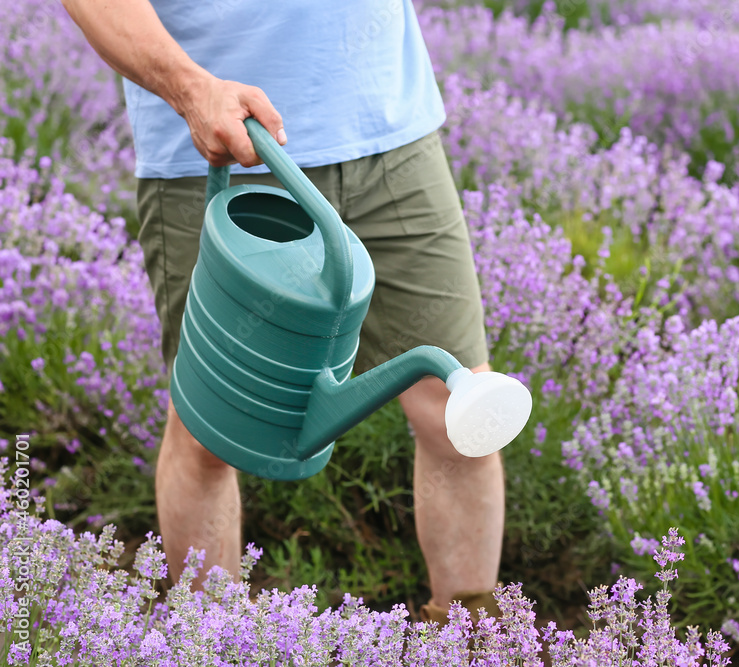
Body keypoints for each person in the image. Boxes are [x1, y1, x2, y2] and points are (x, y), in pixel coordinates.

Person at [60, 0, 504, 623]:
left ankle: (473, 637)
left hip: (391, 136)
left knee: (462, 406)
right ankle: (212, 641)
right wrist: (192, 90)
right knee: (206, 433)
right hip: (222, 147)